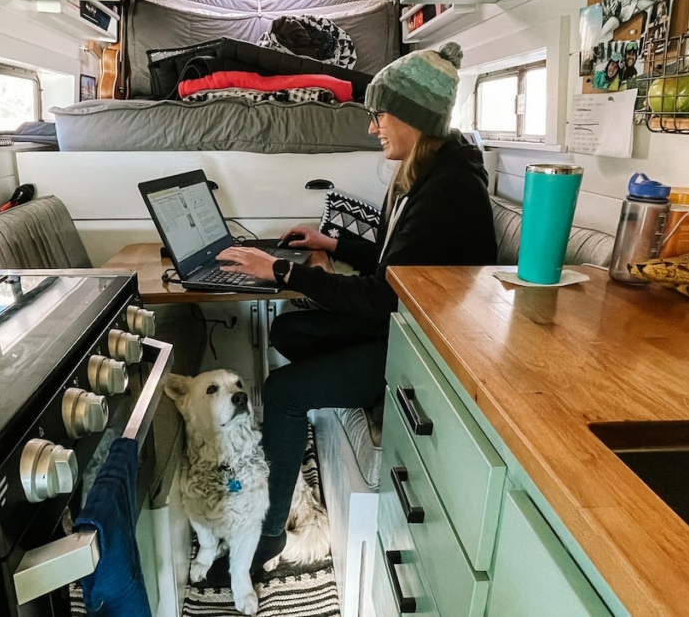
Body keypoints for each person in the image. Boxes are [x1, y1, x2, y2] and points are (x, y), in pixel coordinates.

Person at [212, 43, 498, 572]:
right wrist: (333, 244)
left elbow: (384, 295)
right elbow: (398, 265)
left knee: (283, 389)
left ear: (413, 116)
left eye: (379, 114)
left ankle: (270, 533)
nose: (373, 128)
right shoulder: (428, 172)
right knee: (290, 333)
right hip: (401, 324)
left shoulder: (450, 189)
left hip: (422, 352)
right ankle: (289, 441)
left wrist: (280, 271)